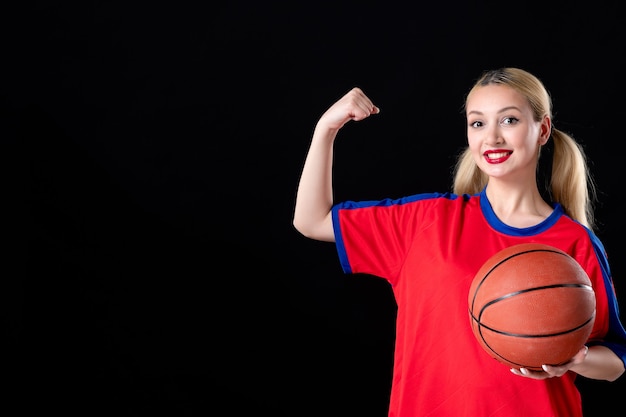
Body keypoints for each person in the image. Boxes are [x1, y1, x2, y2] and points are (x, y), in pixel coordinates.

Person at [292, 67, 626, 416]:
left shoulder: (575, 242)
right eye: (478, 123)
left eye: (509, 120)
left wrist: (577, 358)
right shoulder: (426, 221)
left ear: (542, 130)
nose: (492, 138)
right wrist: (325, 129)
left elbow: (616, 359)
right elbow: (311, 220)